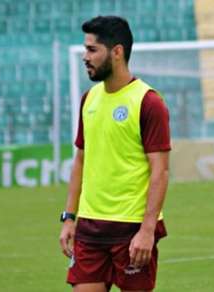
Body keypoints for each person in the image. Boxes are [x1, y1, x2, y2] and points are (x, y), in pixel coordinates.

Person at [58, 15, 171, 292]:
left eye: (92, 49)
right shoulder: (89, 99)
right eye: (85, 49)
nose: (85, 57)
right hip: (90, 228)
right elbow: (81, 160)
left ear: (117, 52)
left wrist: (146, 231)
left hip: (131, 229)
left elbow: (160, 171)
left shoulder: (148, 102)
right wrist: (70, 217)